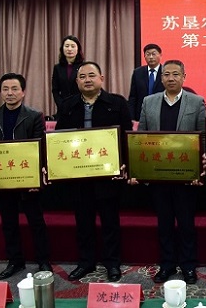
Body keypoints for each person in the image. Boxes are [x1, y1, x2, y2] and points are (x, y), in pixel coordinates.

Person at [55, 61, 132, 282]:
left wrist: (124, 163)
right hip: (79, 176)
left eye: (91, 75)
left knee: (110, 222)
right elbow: (58, 139)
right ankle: (86, 262)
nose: (87, 80)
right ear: (77, 81)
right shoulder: (68, 105)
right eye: (82, 77)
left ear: (101, 78)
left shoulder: (117, 103)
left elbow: (126, 136)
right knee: (83, 222)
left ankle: (112, 263)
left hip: (107, 175)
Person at [137, 59, 206, 285]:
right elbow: (141, 138)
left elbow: (203, 138)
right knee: (164, 224)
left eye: (176, 74)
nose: (171, 78)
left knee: (186, 224)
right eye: (166, 74)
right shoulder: (148, 102)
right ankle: (166, 264)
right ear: (161, 78)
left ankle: (188, 266)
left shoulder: (196, 101)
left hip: (185, 176)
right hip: (158, 175)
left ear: (184, 77)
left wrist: (199, 171)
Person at [0, 73, 51, 280]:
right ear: (0, 92)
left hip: (27, 178)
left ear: (23, 92)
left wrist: (36, 176)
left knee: (36, 221)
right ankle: (15, 261)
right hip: (2, 180)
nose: (10, 93)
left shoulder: (34, 116)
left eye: (14, 89)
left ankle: (43, 260)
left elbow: (40, 147)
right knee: (8, 222)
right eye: (5, 89)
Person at [128, 43, 164, 121]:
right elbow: (133, 97)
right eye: (148, 54)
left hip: (162, 114)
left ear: (160, 55)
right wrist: (131, 117)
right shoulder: (138, 72)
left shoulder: (166, 72)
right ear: (144, 56)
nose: (151, 57)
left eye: (153, 54)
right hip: (141, 114)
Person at [51, 35, 84, 115]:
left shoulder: (83, 66)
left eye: (73, 46)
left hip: (80, 107)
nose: (69, 49)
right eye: (67, 46)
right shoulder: (57, 68)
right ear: (62, 48)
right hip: (63, 108)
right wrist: (61, 104)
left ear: (78, 49)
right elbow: (55, 90)